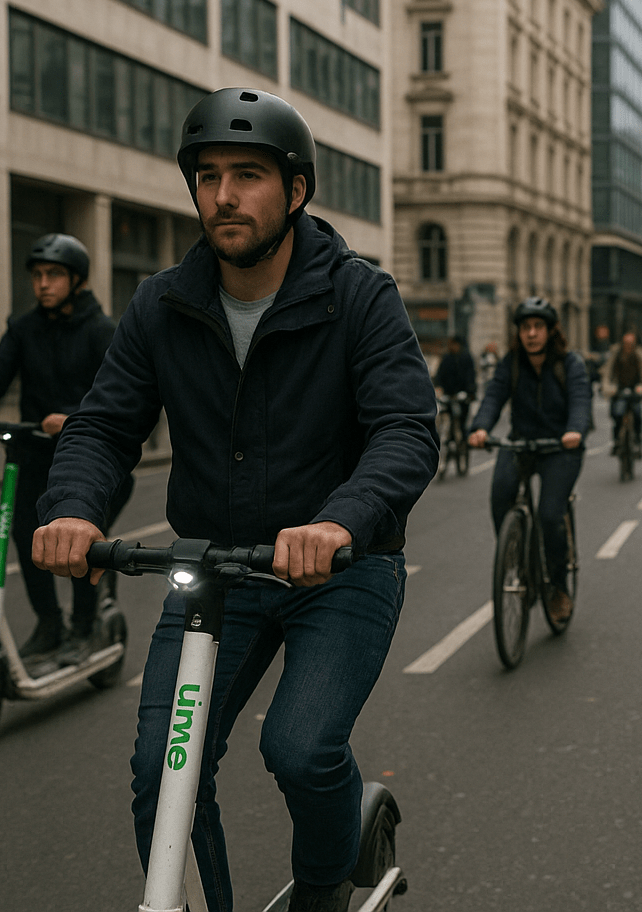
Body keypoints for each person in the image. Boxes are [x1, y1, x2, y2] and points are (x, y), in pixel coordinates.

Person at [31, 88, 439, 912]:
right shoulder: (161, 303)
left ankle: (321, 890)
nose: (223, 195)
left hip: (341, 571)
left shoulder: (359, 295)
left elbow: (404, 430)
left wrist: (337, 520)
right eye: (208, 175)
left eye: (248, 175)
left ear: (295, 191)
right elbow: (105, 427)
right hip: (215, 572)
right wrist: (71, 508)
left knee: (299, 749)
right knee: (161, 772)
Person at [0, 234, 133, 663]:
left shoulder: (100, 330)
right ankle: (50, 623)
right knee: (25, 537)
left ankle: (84, 628)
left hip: (94, 463)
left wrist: (73, 415)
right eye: (36, 276)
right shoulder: (25, 328)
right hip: (34, 456)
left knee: (76, 544)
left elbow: (119, 391)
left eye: (53, 275)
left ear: (77, 280)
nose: (42, 284)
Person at [468, 297, 592, 623]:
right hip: (521, 444)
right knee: (500, 495)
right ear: (519, 333)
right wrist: (480, 427)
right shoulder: (512, 364)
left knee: (551, 515)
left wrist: (575, 430)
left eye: (538, 327)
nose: (532, 334)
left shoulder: (570, 364)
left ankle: (559, 587)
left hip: (559, 447)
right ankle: (517, 563)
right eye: (525, 328)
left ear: (551, 331)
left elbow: (581, 401)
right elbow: (493, 396)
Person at [600, 329, 642, 455]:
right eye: (626, 343)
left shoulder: (638, 355)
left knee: (638, 414)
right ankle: (617, 441)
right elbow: (607, 373)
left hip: (635, 389)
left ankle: (637, 441)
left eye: (631, 343)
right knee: (617, 413)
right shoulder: (616, 354)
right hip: (618, 389)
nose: (628, 346)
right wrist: (608, 388)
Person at [433, 334, 476, 434]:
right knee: (449, 418)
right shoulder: (447, 358)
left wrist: (470, 391)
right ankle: (450, 438)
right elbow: (440, 374)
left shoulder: (466, 357)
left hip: (463, 396)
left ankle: (464, 443)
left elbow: (470, 376)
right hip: (449, 395)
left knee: (462, 423)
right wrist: (439, 387)